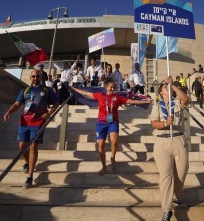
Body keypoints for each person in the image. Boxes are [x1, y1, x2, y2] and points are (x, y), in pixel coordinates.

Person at [69, 77, 153, 176]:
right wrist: (73, 88)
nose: (113, 89)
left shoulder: (117, 97)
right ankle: (104, 167)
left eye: (114, 87)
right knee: (101, 146)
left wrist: (146, 101)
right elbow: (86, 93)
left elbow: (132, 101)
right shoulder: (100, 95)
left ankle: (112, 157)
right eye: (111, 87)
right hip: (101, 123)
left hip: (113, 122)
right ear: (106, 87)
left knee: (114, 140)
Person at [3, 69, 59, 189]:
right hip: (24, 121)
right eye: (33, 76)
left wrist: (48, 114)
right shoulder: (25, 90)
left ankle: (29, 176)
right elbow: (17, 104)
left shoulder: (46, 90)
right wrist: (9, 112)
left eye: (37, 76)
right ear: (30, 77)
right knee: (22, 146)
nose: (35, 78)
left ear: (41, 77)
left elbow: (56, 104)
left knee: (33, 146)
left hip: (38, 122)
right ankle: (28, 162)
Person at [150, 76, 189, 221]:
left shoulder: (177, 103)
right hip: (162, 142)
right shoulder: (157, 105)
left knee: (181, 172)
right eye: (165, 87)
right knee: (166, 175)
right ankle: (167, 209)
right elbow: (154, 123)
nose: (167, 88)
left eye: (168, 86)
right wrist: (165, 123)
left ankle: (174, 195)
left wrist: (173, 86)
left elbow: (185, 99)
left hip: (178, 139)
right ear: (161, 93)